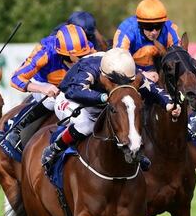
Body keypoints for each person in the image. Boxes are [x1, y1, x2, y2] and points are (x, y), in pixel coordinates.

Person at [41, 48, 181, 172]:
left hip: (105, 100)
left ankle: (133, 147)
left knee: (127, 113)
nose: (121, 85)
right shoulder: (89, 69)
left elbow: (153, 89)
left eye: (126, 82)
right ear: (104, 76)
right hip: (70, 99)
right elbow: (74, 91)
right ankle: (55, 148)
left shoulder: (129, 71)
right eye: (116, 82)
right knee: (86, 124)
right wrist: (103, 97)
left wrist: (169, 104)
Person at [4, 24, 96, 152]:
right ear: (62, 54)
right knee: (53, 98)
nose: (81, 59)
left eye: (83, 54)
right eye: (77, 57)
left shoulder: (89, 50)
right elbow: (15, 79)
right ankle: (17, 127)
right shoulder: (44, 51)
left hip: (71, 85)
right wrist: (43, 88)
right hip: (44, 83)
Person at [113, 0, 182, 83]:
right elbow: (118, 61)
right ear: (140, 24)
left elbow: (179, 59)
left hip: (160, 74)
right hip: (132, 74)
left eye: (158, 26)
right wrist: (142, 74)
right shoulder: (126, 30)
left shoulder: (170, 29)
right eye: (149, 27)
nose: (154, 32)